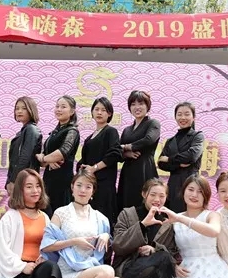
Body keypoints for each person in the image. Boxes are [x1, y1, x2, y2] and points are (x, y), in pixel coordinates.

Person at [41, 169, 124, 278]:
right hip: (67, 273)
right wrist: (73, 241)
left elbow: (105, 251)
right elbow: (47, 245)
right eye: (79, 185)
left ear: (93, 191)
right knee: (107, 272)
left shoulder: (101, 218)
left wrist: (106, 236)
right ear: (72, 187)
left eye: (88, 187)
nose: (83, 190)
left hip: (90, 273)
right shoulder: (61, 213)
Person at [111, 178, 181, 278]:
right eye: (153, 195)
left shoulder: (167, 222)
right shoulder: (128, 214)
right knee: (156, 265)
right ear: (144, 194)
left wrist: (154, 249)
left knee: (163, 259)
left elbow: (172, 253)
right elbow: (118, 245)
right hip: (128, 266)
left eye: (162, 196)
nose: (157, 199)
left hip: (153, 271)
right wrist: (142, 225)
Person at [77, 96, 122, 230]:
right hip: (90, 186)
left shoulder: (111, 131)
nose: (99, 112)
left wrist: (94, 168)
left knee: (103, 222)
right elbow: (84, 159)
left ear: (109, 114)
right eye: (96, 109)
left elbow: (115, 154)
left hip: (104, 185)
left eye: (103, 110)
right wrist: (82, 167)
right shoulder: (89, 137)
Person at [117, 90, 161, 211]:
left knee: (144, 201)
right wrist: (126, 154)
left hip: (145, 168)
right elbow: (117, 150)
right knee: (127, 203)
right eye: (133, 104)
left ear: (147, 106)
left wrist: (128, 146)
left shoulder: (153, 123)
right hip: (128, 171)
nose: (137, 107)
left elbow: (149, 139)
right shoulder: (127, 130)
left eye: (141, 104)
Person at [157, 102, 205, 213]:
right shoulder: (170, 141)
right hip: (173, 184)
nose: (183, 117)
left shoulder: (197, 136)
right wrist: (179, 163)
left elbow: (192, 156)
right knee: (172, 215)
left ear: (193, 117)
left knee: (190, 215)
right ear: (175, 117)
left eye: (187, 114)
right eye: (179, 114)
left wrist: (169, 159)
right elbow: (161, 163)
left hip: (192, 182)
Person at [37, 95, 80, 214]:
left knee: (60, 214)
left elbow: (63, 152)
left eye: (63, 107)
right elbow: (41, 161)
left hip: (63, 181)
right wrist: (46, 160)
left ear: (72, 111)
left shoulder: (72, 131)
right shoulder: (54, 132)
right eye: (57, 106)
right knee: (45, 214)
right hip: (48, 180)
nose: (59, 109)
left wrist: (45, 158)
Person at [6, 96, 42, 197]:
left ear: (31, 109)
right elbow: (14, 161)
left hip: (26, 180)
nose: (19, 111)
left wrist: (14, 181)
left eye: (24, 108)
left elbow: (25, 158)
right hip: (21, 179)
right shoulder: (23, 131)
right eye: (17, 108)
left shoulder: (31, 129)